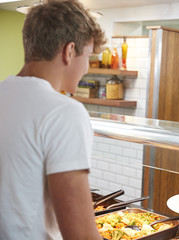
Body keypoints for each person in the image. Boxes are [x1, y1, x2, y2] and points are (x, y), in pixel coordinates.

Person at [0, 0, 106, 239]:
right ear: (69, 51)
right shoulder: (64, 113)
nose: (87, 68)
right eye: (88, 55)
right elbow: (80, 235)